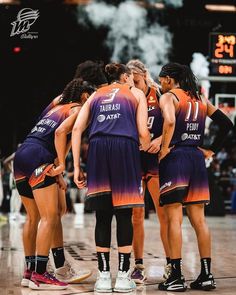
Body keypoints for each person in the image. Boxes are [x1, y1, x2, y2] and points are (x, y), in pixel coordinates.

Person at [71, 63, 150, 293]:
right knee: (125, 214)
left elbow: (77, 129)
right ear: (125, 77)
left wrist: (76, 166)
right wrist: (146, 145)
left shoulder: (96, 94)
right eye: (131, 79)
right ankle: (124, 277)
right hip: (124, 148)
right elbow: (143, 132)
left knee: (102, 216)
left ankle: (104, 278)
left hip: (97, 149)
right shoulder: (135, 93)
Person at [157, 62, 233, 291]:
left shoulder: (169, 97)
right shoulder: (200, 99)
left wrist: (163, 148)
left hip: (176, 157)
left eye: (161, 79)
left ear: (169, 79)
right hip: (197, 160)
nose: (160, 84)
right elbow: (226, 124)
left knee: (174, 219)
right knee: (200, 221)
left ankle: (176, 277)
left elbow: (170, 121)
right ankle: (207, 275)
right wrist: (212, 149)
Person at [14, 79, 95, 290]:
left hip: (23, 154)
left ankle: (29, 271)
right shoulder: (78, 109)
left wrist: (57, 172)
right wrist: (60, 168)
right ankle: (41, 274)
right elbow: (60, 134)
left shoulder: (56, 106)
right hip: (40, 156)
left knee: (33, 217)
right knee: (50, 217)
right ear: (85, 95)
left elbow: (57, 132)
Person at [126, 59, 170, 283]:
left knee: (164, 215)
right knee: (137, 215)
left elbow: (174, 122)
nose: (133, 84)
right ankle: (138, 265)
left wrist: (162, 140)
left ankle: (172, 263)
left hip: (156, 160)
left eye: (136, 79)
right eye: (130, 80)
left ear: (144, 75)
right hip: (135, 160)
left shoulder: (160, 93)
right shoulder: (128, 97)